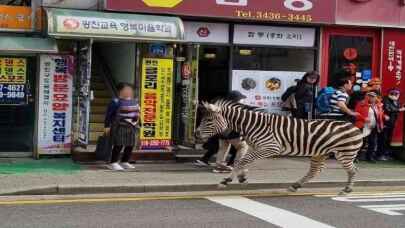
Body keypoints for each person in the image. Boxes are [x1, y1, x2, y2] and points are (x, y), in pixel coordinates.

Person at [194, 90, 249, 173]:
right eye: (241, 99)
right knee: (243, 147)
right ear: (236, 100)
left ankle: (219, 166)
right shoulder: (235, 108)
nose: (242, 100)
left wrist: (199, 105)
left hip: (221, 133)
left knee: (223, 148)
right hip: (232, 133)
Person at [104, 83, 140, 171]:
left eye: (130, 90)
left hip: (132, 126)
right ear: (120, 91)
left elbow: (137, 113)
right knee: (118, 144)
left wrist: (139, 124)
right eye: (126, 90)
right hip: (119, 126)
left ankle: (125, 161)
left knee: (130, 144)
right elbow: (108, 115)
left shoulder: (134, 101)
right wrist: (107, 126)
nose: (129, 92)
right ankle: (113, 162)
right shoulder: (115, 101)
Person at [355, 92, 387, 163]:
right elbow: (356, 114)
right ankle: (355, 157)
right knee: (361, 142)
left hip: (373, 126)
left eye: (373, 97)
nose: (372, 98)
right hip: (363, 126)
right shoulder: (361, 104)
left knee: (372, 142)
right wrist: (364, 118)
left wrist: (384, 117)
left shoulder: (378, 105)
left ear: (376, 98)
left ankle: (369, 157)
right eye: (370, 96)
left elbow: (381, 114)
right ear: (367, 96)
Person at [383, 88, 405, 159]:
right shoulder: (385, 100)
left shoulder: (397, 101)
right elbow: (388, 109)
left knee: (389, 138)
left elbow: (397, 109)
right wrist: (399, 109)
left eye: (397, 94)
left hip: (392, 122)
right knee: (384, 138)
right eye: (393, 93)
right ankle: (382, 153)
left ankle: (387, 153)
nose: (395, 95)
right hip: (385, 122)